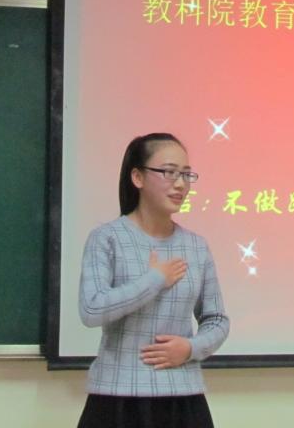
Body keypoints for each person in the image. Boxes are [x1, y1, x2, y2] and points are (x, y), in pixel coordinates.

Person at [77, 132, 229, 428]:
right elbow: (91, 309)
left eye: (186, 174)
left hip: (182, 395)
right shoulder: (107, 238)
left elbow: (217, 319)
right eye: (169, 172)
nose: (180, 184)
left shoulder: (196, 246)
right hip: (117, 394)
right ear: (138, 177)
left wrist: (190, 348)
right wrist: (155, 280)